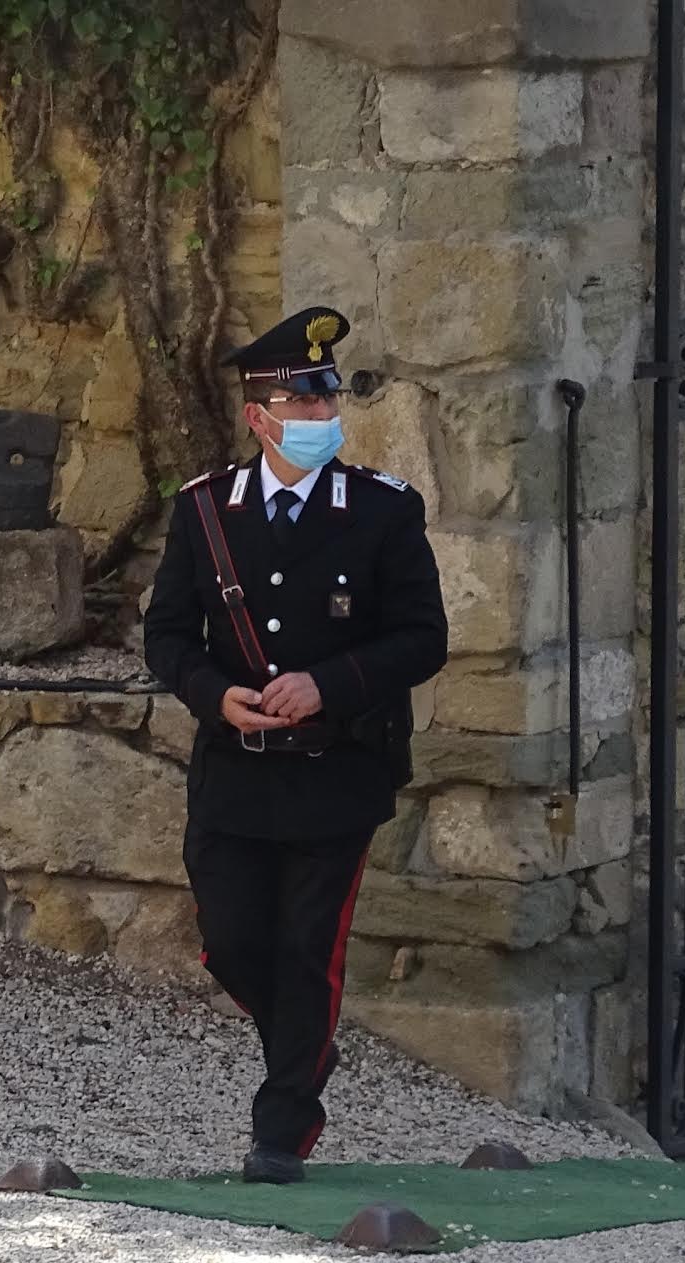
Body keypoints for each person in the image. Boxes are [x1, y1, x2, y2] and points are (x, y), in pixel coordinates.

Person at [144, 306, 449, 1183]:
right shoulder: (206, 511)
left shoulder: (383, 510)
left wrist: (328, 683)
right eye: (302, 402)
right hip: (235, 775)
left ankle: (282, 1125)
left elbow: (422, 638)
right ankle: (305, 1042)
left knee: (309, 948)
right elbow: (167, 635)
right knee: (232, 942)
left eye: (328, 399)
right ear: (259, 416)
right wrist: (214, 695)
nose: (322, 416)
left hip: (336, 773)